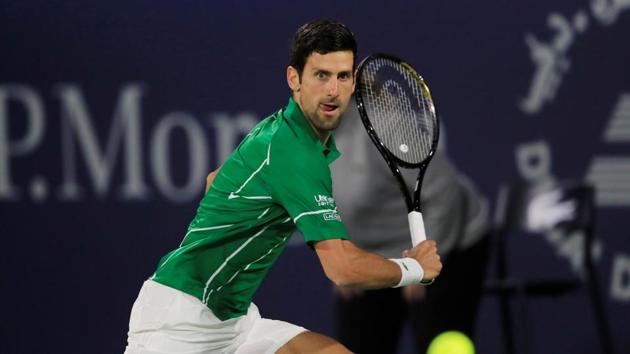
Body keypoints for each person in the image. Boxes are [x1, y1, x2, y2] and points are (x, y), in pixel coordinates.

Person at [124, 19, 442, 354]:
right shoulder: (295, 155)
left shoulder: (280, 130)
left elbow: (215, 180)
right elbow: (343, 269)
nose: (333, 90)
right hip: (177, 327)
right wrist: (415, 268)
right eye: (321, 75)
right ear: (295, 79)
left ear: (353, 84)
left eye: (343, 76)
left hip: (233, 322)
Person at [331, 101, 491, 354]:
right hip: (374, 253)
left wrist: (421, 262)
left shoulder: (387, 126)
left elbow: (443, 193)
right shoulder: (299, 137)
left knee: (442, 345)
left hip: (447, 237)